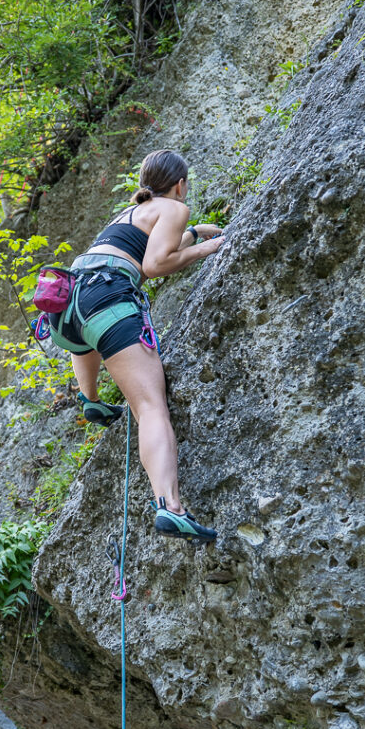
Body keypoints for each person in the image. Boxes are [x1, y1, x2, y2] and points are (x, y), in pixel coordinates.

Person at [48, 149, 224, 542]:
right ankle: (170, 507)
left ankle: (90, 398)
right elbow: (154, 265)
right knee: (150, 407)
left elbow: (142, 247)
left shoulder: (128, 215)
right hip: (107, 300)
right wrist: (204, 248)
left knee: (88, 339)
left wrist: (194, 234)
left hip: (68, 307)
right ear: (180, 184)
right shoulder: (173, 206)